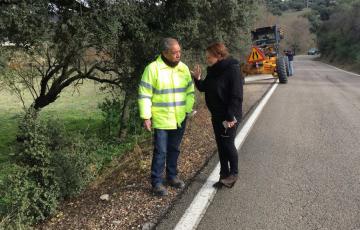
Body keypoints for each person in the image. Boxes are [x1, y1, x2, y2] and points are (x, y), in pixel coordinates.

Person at [138, 38, 195, 196]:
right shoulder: (152, 69)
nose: (178, 55)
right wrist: (146, 116)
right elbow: (144, 94)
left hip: (180, 118)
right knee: (161, 151)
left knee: (174, 149)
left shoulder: (183, 68)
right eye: (174, 52)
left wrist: (187, 109)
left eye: (179, 52)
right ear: (164, 53)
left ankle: (172, 176)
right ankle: (156, 182)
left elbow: (190, 91)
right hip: (162, 119)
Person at [192, 42, 243, 188]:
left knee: (227, 144)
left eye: (209, 56)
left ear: (219, 56)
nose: (207, 59)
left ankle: (233, 174)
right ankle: (224, 175)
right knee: (221, 145)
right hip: (217, 115)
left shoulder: (232, 69)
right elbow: (203, 88)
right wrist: (197, 78)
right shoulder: (213, 70)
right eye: (206, 57)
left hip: (229, 116)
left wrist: (230, 117)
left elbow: (236, 95)